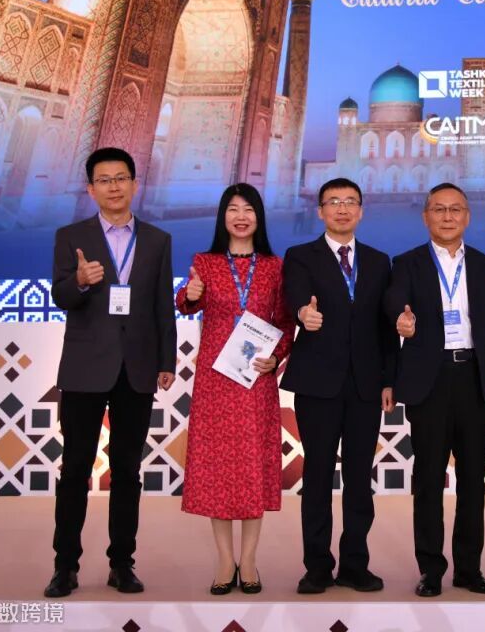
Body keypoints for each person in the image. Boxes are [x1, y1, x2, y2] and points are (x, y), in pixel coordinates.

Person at [45, 147, 177, 598]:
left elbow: (162, 306)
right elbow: (60, 296)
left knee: (127, 470)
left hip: (136, 368)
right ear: (90, 189)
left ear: (135, 184)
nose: (114, 187)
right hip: (85, 366)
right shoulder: (70, 236)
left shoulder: (157, 240)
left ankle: (122, 563)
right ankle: (65, 566)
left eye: (121, 178)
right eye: (104, 180)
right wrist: (80, 281)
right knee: (75, 468)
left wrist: (166, 360)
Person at [384, 182, 485, 598]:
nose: (447, 216)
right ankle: (430, 570)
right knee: (428, 478)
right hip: (430, 380)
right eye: (439, 209)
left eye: (455, 209)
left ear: (467, 217)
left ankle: (469, 569)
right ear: (426, 217)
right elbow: (394, 303)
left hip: (474, 378)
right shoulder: (406, 263)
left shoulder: (484, 265)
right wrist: (401, 321)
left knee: (473, 480)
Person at [175, 183, 294, 595]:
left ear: (259, 217)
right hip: (215, 382)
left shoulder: (275, 267)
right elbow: (186, 302)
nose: (241, 217)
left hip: (255, 382)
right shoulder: (205, 263)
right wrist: (188, 295)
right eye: (233, 209)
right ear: (222, 216)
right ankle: (225, 560)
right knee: (218, 469)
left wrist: (276, 357)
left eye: (248, 209)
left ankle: (250, 559)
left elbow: (285, 323)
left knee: (251, 468)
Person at [281, 178, 397, 594]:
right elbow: (296, 298)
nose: (342, 209)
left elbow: (386, 327)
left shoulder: (379, 261)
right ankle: (316, 566)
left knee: (359, 478)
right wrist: (303, 314)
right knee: (316, 474)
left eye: (350, 202)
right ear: (320, 211)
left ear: (361, 211)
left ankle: (354, 564)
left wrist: (389, 379)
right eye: (334, 202)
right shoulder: (301, 256)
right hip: (318, 383)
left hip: (366, 385)